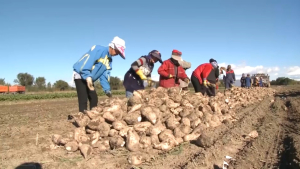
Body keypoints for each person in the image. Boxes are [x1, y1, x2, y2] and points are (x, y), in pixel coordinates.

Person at [72, 36, 126, 112]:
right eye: (117, 51)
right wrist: (87, 76)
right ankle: (82, 119)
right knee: (83, 99)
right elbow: (87, 61)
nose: (117, 54)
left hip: (89, 79)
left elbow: (104, 75)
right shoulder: (99, 49)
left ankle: (93, 117)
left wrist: (107, 89)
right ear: (112, 47)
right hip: (80, 75)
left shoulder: (109, 60)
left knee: (94, 98)